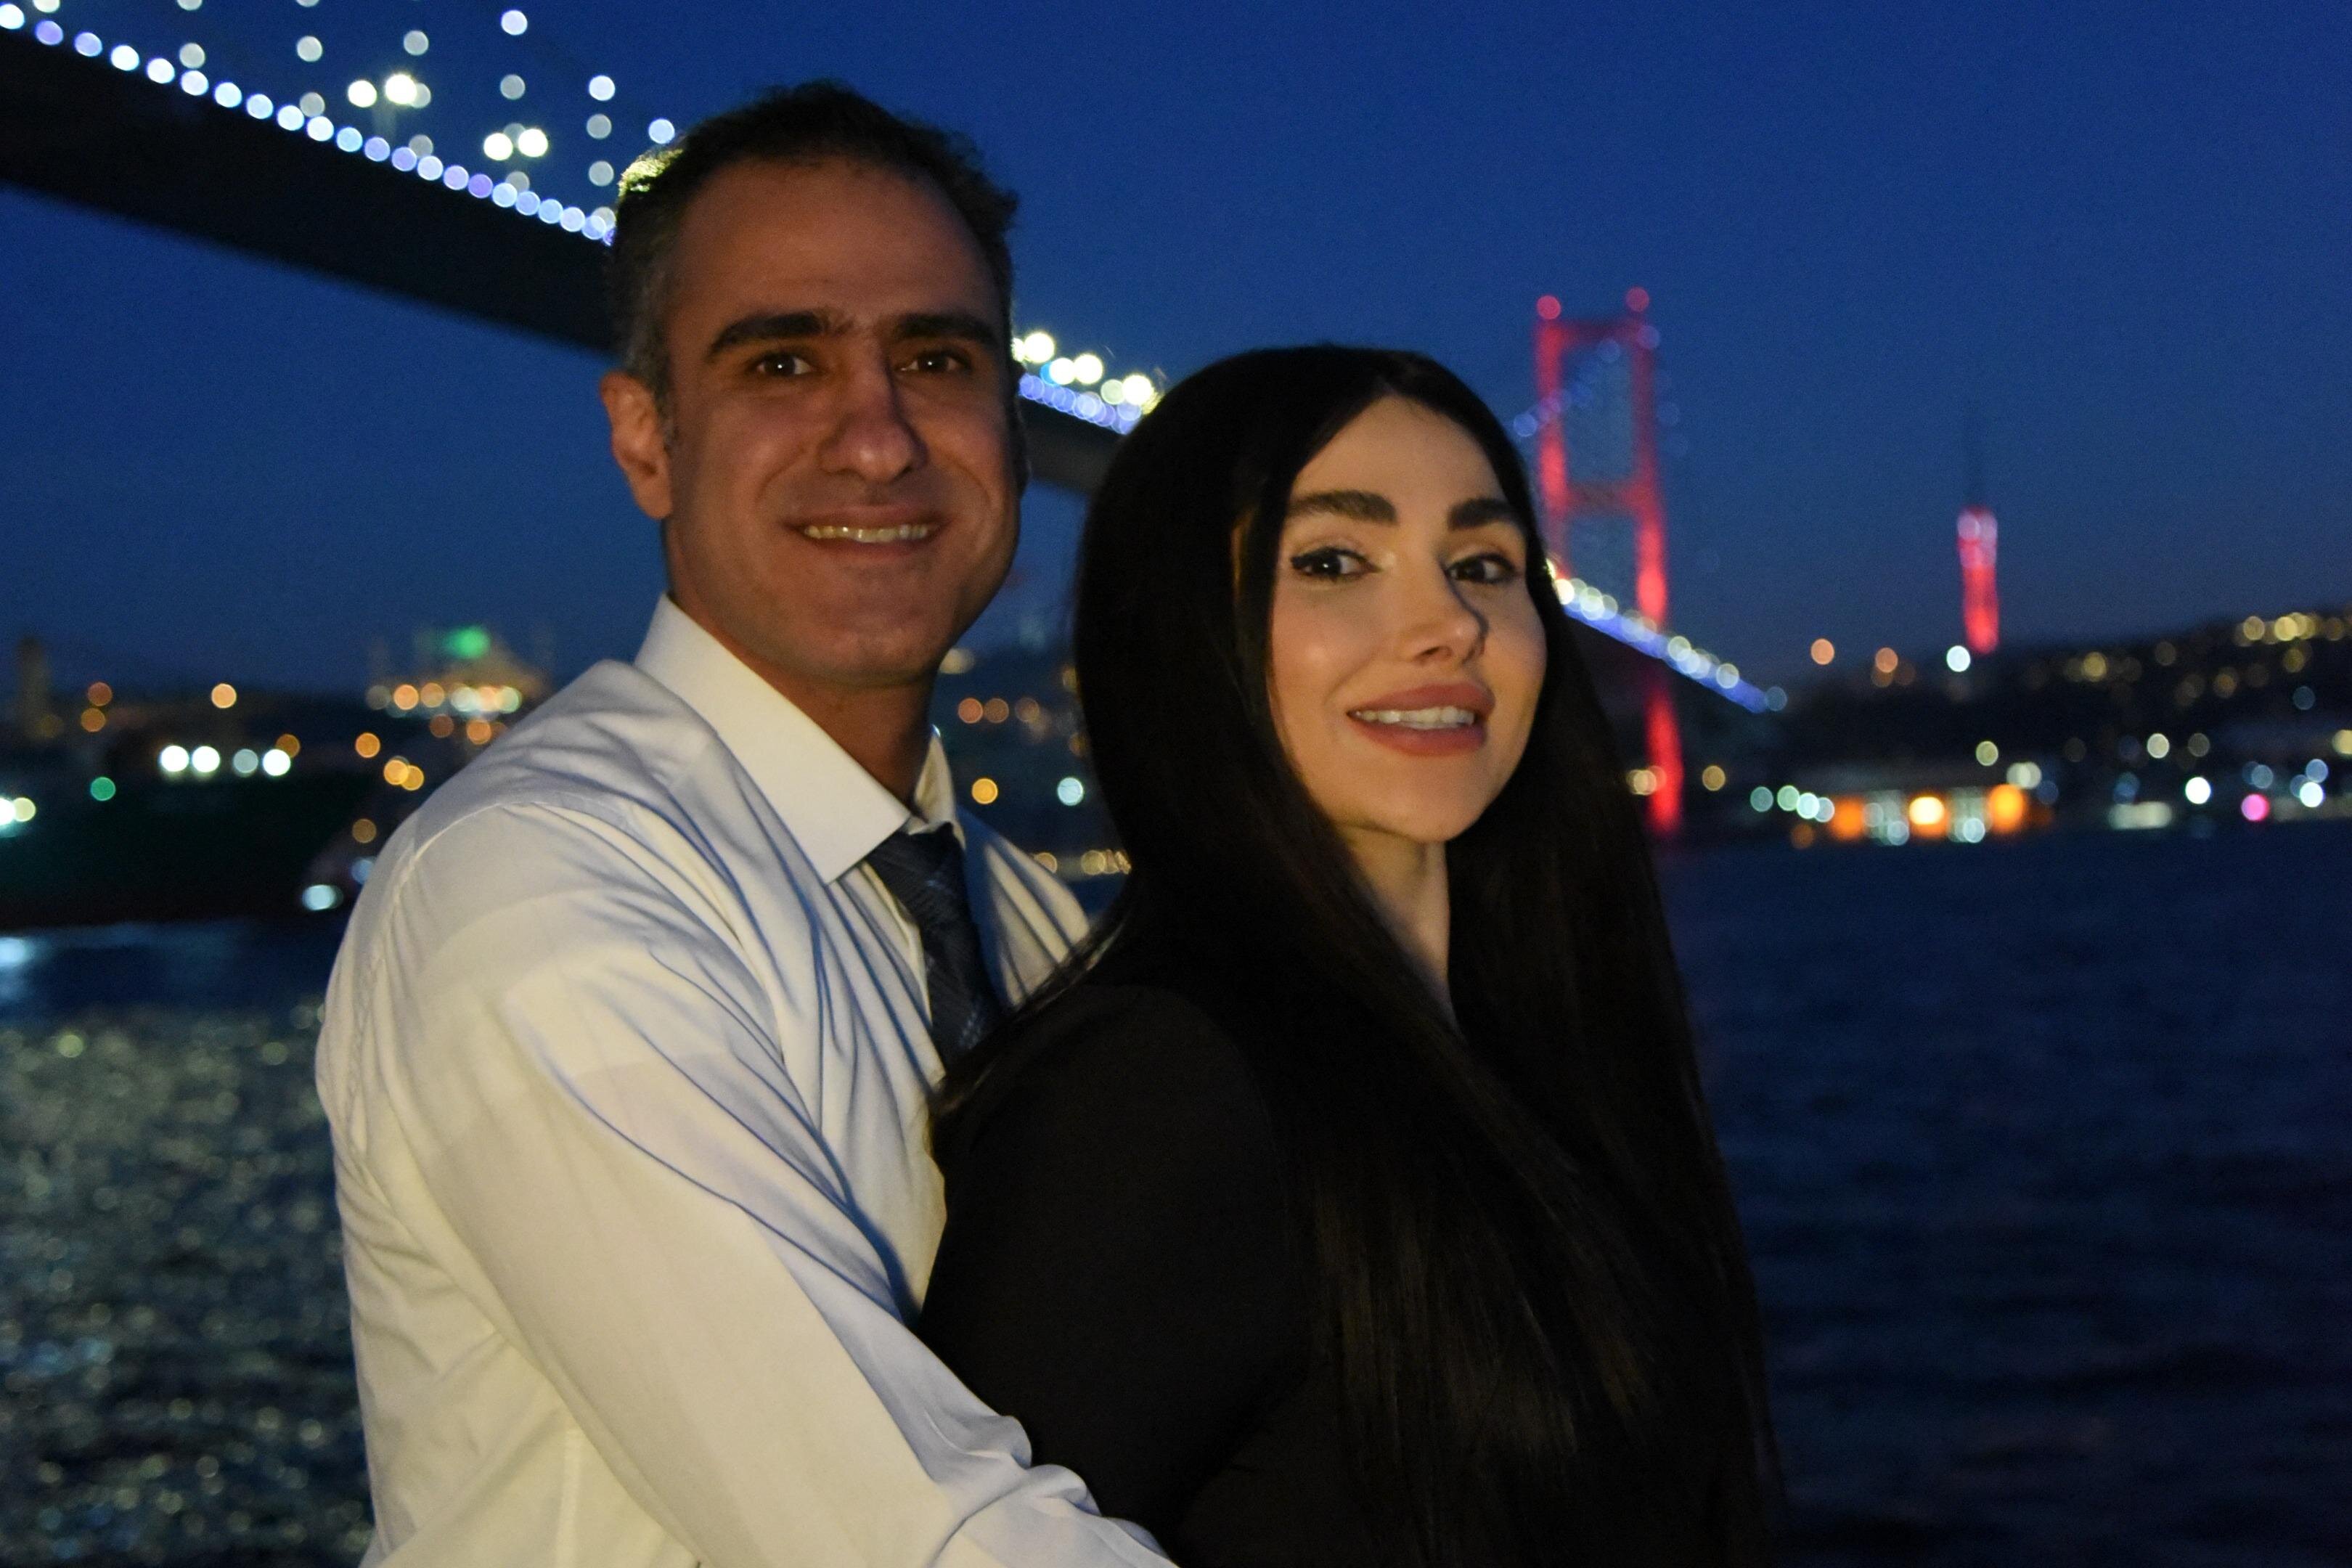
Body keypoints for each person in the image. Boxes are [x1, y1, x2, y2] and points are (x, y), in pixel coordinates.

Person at [314, 84, 1169, 1566]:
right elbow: (910, 1540)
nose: (878, 439)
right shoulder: (534, 890)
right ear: (645, 440)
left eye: (937, 359)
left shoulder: (1025, 917)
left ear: (1014, 429)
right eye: (784, 360)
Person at [918, 346, 1780, 1567]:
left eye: (1483, 565)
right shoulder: (1161, 1087)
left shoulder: (1528, 1043)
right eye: (1332, 561)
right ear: (1183, 629)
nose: (1450, 625)